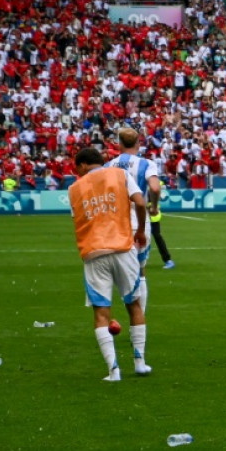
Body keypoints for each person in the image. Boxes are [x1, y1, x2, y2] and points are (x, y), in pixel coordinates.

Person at [67, 147, 151, 381]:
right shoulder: (120, 175)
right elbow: (140, 202)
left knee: (101, 312)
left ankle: (114, 371)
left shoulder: (74, 189)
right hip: (123, 247)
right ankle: (140, 363)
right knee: (134, 304)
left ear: (83, 165)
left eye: (77, 168)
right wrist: (140, 231)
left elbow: (77, 218)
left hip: (94, 251)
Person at [106, 128, 162, 312]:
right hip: (138, 219)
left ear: (119, 144)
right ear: (138, 143)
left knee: (117, 269)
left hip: (115, 220)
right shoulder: (147, 164)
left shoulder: (109, 165)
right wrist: (154, 207)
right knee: (140, 270)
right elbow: (155, 188)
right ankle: (139, 318)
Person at [148, 182, 176, 270]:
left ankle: (168, 260)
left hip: (152, 215)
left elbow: (157, 192)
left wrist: (152, 207)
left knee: (157, 237)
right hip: (141, 214)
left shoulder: (154, 182)